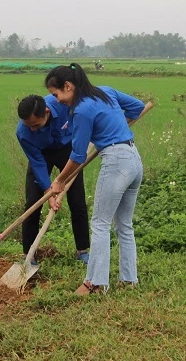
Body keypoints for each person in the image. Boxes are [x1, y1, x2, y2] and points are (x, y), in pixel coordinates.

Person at [44, 62, 145, 295]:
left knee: (100, 223)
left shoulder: (81, 110)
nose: (57, 100)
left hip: (116, 163)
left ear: (68, 86)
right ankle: (129, 280)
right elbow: (137, 107)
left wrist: (59, 181)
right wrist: (115, 129)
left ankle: (96, 283)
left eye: (56, 94)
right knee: (124, 225)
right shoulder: (105, 91)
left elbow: (78, 156)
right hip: (133, 158)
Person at [16, 95, 90, 264]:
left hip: (67, 151)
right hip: (41, 155)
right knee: (33, 203)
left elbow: (84, 119)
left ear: (47, 112)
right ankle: (29, 255)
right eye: (29, 126)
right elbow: (37, 161)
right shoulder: (23, 132)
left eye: (35, 125)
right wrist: (48, 190)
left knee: (77, 201)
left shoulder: (64, 104)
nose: (32, 129)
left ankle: (82, 250)